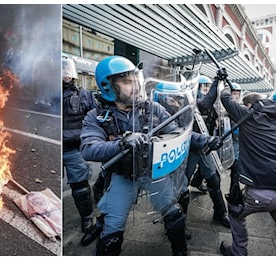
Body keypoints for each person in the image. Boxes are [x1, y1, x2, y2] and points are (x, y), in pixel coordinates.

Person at [80, 55, 223, 255]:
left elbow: (176, 131)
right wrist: (120, 144)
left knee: (174, 216)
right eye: (127, 82)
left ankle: (181, 253)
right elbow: (88, 148)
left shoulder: (152, 108)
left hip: (152, 173)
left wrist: (205, 141)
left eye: (135, 80)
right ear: (109, 86)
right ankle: (101, 228)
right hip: (123, 176)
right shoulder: (96, 116)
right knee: (112, 230)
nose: (136, 86)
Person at [218, 76, 276, 256]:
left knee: (235, 211)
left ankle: (238, 251)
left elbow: (225, 99)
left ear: (248, 107)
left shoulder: (249, 116)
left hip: (259, 194)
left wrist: (223, 85)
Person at [184, 74, 230, 228]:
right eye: (203, 87)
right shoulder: (188, 103)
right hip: (189, 150)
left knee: (214, 181)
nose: (205, 91)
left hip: (206, 148)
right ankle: (178, 220)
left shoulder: (211, 107)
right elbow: (204, 102)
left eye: (207, 88)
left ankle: (220, 214)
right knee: (182, 184)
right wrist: (217, 81)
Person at [62, 57, 99, 237]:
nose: (63, 75)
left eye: (66, 71)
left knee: (80, 187)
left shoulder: (84, 95)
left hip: (73, 149)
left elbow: (97, 119)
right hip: (57, 146)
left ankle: (87, 216)